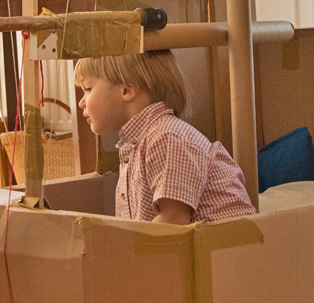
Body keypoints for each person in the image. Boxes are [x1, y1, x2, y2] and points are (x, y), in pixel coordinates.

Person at [74, 50, 255, 224]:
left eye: (88, 89)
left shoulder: (166, 137)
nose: (81, 102)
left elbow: (173, 221)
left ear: (126, 90)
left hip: (225, 250)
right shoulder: (139, 142)